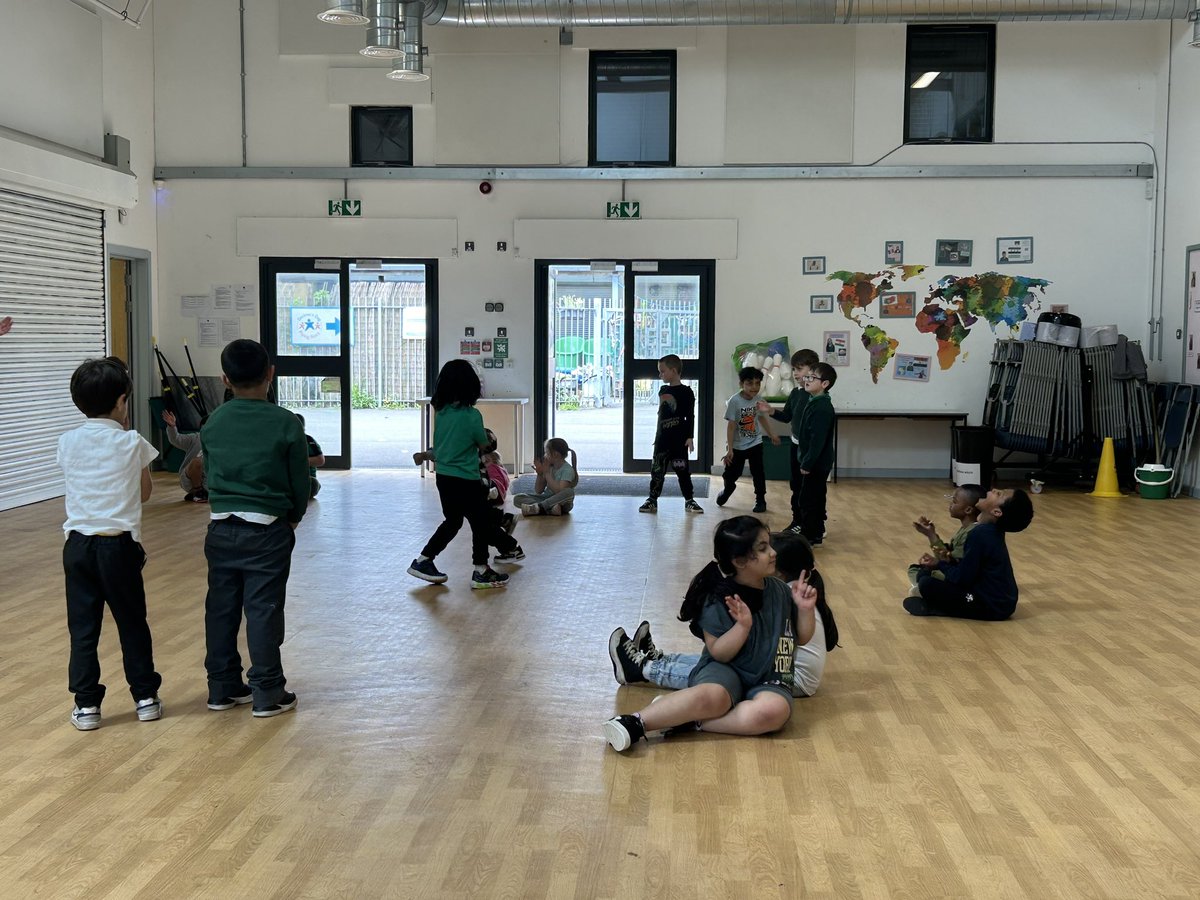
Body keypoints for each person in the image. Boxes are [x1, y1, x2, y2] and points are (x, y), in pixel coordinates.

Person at [602, 516, 817, 752]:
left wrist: (805, 610)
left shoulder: (779, 591)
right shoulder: (717, 599)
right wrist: (742, 627)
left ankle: (691, 719)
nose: (773, 553)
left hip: (770, 676)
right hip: (725, 670)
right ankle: (634, 722)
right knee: (714, 697)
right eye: (763, 548)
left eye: (770, 545)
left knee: (774, 712)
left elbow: (802, 637)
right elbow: (720, 653)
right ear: (740, 561)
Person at [201, 339, 310, 717]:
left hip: (220, 528)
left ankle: (222, 687)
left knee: (221, 608)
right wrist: (293, 516)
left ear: (225, 379)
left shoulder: (213, 422)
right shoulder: (285, 422)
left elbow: (209, 475)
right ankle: (267, 691)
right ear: (270, 374)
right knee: (263, 609)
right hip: (267, 529)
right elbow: (300, 479)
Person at [56, 356, 162, 730]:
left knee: (83, 629)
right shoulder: (133, 442)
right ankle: (145, 698)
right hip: (118, 547)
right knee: (132, 623)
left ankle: (86, 706)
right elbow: (145, 494)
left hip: (78, 548)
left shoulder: (67, 441)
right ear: (122, 402)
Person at [608, 530, 838, 700]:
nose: (769, 556)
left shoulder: (787, 595)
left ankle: (642, 670)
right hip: (779, 665)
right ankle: (658, 659)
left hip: (790, 677)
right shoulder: (788, 591)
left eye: (771, 558)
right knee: (714, 661)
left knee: (719, 674)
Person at [407, 360, 523, 589]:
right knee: (480, 524)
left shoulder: (442, 413)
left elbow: (440, 447)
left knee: (452, 522)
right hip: (467, 480)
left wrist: (426, 455)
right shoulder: (472, 416)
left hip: (444, 478)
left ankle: (423, 560)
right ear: (471, 387)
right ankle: (481, 570)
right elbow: (483, 444)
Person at [903, 487, 1034, 621]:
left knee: (927, 583)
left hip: (991, 607)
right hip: (1001, 603)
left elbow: (961, 577)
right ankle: (934, 603)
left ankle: (935, 608)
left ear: (996, 512)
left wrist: (938, 564)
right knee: (925, 576)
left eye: (999, 494)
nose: (994, 490)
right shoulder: (989, 531)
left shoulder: (981, 534)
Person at [757, 349, 820, 532]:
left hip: (810, 450)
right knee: (796, 486)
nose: (795, 373)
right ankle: (797, 521)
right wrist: (770, 410)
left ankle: (814, 525)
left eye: (800, 369)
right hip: (795, 446)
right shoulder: (795, 393)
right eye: (794, 369)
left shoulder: (816, 395)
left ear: (813, 370)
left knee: (810, 490)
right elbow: (787, 417)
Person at [640, 354, 702, 514]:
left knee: (682, 471)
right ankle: (652, 499)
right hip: (662, 441)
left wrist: (690, 437)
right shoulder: (663, 390)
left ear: (673, 371)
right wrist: (658, 437)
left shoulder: (687, 392)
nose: (660, 375)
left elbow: (690, 415)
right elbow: (661, 416)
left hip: (679, 441)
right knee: (657, 471)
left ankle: (689, 500)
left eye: (662, 371)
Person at [717, 367, 779, 513]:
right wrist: (730, 449)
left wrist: (771, 434)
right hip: (738, 446)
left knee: (758, 472)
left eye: (757, 383)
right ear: (741, 384)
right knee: (731, 474)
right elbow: (731, 426)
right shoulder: (734, 401)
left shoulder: (759, 400)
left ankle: (760, 499)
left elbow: (762, 418)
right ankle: (728, 489)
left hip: (755, 442)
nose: (754, 387)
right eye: (750, 383)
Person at [906, 484, 983, 597]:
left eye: (955, 501)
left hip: (961, 578)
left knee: (927, 574)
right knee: (914, 569)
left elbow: (950, 561)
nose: (950, 504)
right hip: (955, 572)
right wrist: (931, 534)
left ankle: (924, 591)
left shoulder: (972, 533)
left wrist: (932, 536)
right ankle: (923, 587)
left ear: (968, 509)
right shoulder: (966, 528)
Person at [793, 362, 837, 546]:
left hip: (816, 463)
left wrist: (807, 463)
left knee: (809, 499)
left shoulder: (822, 408)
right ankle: (816, 533)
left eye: (812, 377)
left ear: (824, 384)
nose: (806, 380)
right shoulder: (815, 402)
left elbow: (817, 441)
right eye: (807, 376)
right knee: (815, 496)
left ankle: (809, 536)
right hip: (815, 461)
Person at [514, 437, 578, 516]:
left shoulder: (567, 470)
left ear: (555, 454)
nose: (545, 455)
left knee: (569, 492)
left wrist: (547, 473)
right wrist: (540, 474)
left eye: (547, 453)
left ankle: (540, 508)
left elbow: (559, 491)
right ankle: (548, 509)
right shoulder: (549, 467)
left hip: (561, 503)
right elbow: (539, 490)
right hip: (547, 499)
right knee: (518, 498)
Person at [162, 409, 207, 502]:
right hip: (190, 479)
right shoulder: (195, 438)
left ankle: (203, 493)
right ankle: (197, 491)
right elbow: (176, 439)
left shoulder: (222, 443)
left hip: (210, 481)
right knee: (196, 462)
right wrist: (172, 426)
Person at [294, 414, 326, 500]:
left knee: (313, 484)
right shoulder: (283, 440)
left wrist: (298, 461)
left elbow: (320, 460)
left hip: (306, 478)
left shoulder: (308, 440)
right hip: (288, 477)